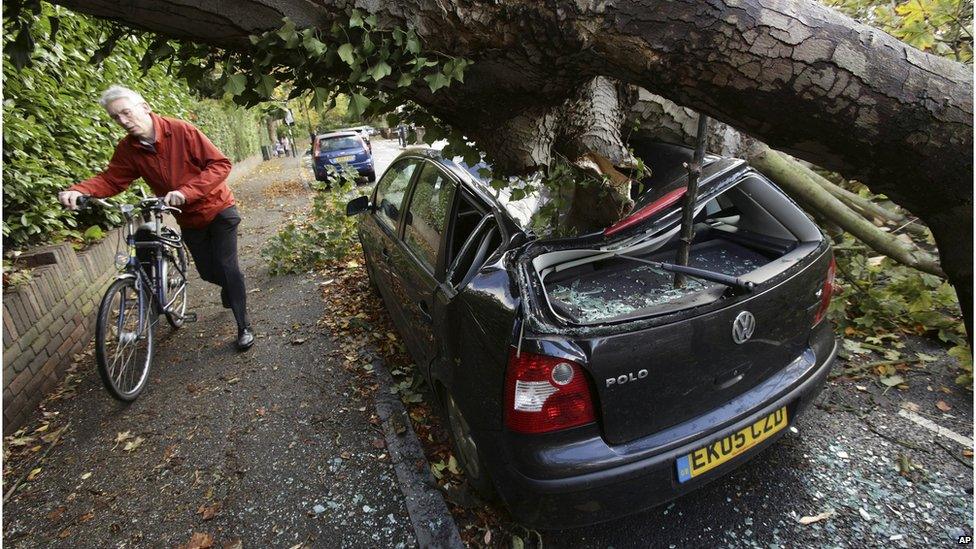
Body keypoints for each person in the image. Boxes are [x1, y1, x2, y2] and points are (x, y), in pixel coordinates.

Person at [58, 85, 255, 351]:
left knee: (228, 266)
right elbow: (112, 179)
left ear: (145, 107)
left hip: (218, 209)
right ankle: (230, 288)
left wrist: (186, 192)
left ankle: (243, 326)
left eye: (126, 113)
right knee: (209, 272)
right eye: (116, 118)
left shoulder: (182, 131)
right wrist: (80, 190)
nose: (123, 121)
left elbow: (220, 164)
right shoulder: (129, 149)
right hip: (187, 219)